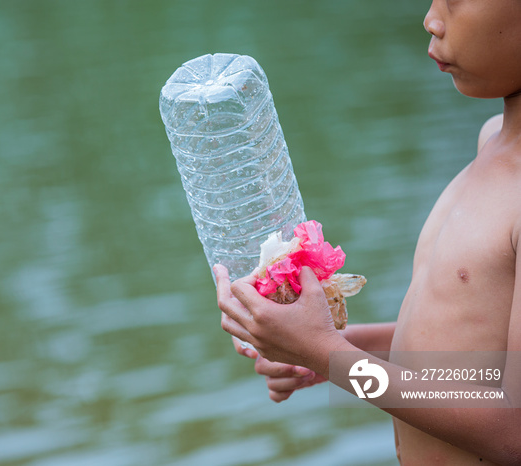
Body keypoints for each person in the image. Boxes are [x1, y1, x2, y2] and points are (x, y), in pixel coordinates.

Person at [215, 0, 521, 464]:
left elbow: (512, 434)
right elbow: (483, 354)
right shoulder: (491, 141)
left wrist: (330, 356)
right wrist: (340, 346)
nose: (432, 19)